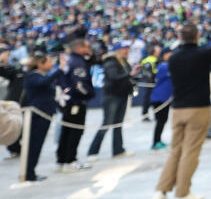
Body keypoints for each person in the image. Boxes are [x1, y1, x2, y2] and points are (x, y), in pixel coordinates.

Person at [151, 22, 211, 199]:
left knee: (176, 150)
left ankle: (161, 190)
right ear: (197, 37)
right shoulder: (202, 54)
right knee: (190, 151)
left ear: (180, 38)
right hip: (198, 108)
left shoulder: (173, 58)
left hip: (178, 109)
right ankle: (182, 193)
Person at [86, 43, 134, 160]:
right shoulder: (111, 62)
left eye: (127, 49)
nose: (126, 51)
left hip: (122, 95)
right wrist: (130, 74)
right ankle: (92, 152)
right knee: (107, 123)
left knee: (118, 124)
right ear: (117, 50)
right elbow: (114, 77)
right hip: (112, 97)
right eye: (124, 49)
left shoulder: (124, 62)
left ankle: (118, 150)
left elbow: (125, 77)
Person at [55, 37, 96, 172]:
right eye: (86, 47)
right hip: (76, 102)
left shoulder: (70, 60)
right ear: (79, 48)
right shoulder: (78, 62)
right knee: (75, 130)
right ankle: (71, 159)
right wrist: (89, 94)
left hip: (69, 101)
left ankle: (62, 159)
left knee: (67, 130)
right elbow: (79, 84)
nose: (88, 49)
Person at [20, 52, 58, 182]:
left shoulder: (43, 76)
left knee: (38, 144)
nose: (51, 64)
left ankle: (31, 172)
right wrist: (60, 70)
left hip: (45, 114)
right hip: (36, 116)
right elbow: (43, 83)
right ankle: (28, 173)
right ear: (40, 64)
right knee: (33, 145)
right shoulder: (32, 76)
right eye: (48, 62)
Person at [149, 49, 173, 151]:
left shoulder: (166, 66)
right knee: (160, 121)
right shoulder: (164, 66)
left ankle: (158, 141)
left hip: (165, 98)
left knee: (163, 120)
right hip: (159, 98)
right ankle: (155, 143)